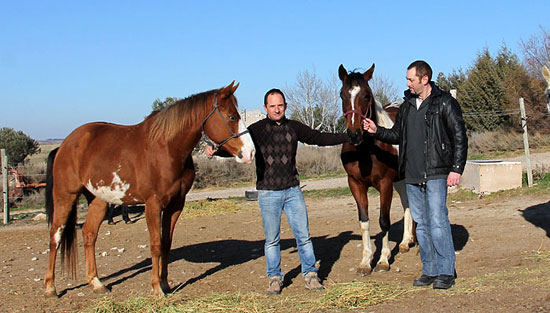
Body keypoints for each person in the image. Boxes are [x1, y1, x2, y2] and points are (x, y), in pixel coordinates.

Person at [207, 88, 350, 295]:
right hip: (268, 193)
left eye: (280, 105)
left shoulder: (294, 127)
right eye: (272, 106)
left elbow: (318, 137)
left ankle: (310, 274)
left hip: (293, 191)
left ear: (285, 106)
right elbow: (237, 145)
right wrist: (216, 150)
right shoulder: (256, 130)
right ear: (266, 108)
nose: (277, 109)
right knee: (272, 239)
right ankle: (274, 277)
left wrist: (347, 137)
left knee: (304, 237)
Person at [363, 60, 468, 289]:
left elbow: (459, 137)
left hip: (437, 173)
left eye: (411, 79)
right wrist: (376, 131)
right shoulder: (407, 106)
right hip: (411, 174)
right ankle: (429, 270)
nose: (407, 83)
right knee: (421, 225)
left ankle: (446, 271)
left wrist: (456, 169)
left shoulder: (445, 103)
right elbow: (397, 134)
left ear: (424, 79)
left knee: (438, 222)